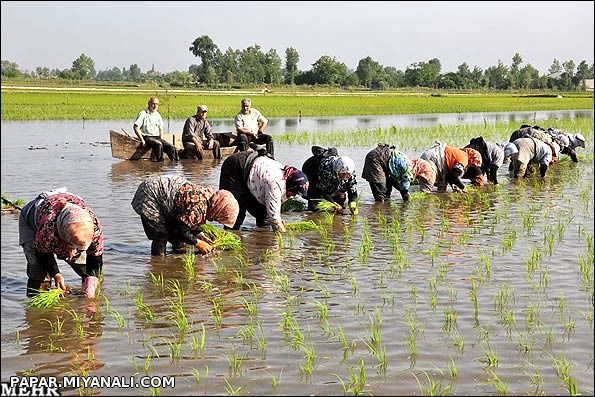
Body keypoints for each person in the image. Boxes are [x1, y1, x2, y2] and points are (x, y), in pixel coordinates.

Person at [18, 188, 104, 298]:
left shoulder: (95, 228)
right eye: (74, 246)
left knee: (84, 266)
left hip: (66, 225)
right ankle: (36, 302)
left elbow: (95, 258)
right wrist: (56, 274)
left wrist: (91, 290)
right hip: (32, 222)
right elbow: (42, 253)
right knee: (39, 271)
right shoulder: (48, 228)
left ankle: (88, 291)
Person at [131, 176, 239, 256]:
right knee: (160, 235)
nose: (218, 221)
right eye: (220, 219)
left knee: (179, 240)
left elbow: (185, 221)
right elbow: (181, 230)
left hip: (164, 194)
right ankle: (159, 265)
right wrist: (199, 243)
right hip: (150, 195)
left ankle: (173, 263)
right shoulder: (199, 206)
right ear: (218, 210)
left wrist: (199, 235)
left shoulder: (208, 198)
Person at [219, 149, 309, 232]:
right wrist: (283, 235)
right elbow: (274, 218)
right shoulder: (275, 184)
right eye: (294, 192)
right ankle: (230, 235)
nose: (293, 196)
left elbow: (272, 210)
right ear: (290, 186)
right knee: (236, 212)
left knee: (264, 216)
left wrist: (278, 220)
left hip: (254, 173)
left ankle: (260, 236)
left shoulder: (286, 177)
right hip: (236, 166)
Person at [133, 96, 179, 162]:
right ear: (149, 104)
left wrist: (162, 139)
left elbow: (161, 128)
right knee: (158, 144)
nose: (155, 106)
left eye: (157, 104)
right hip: (147, 137)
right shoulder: (143, 113)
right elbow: (136, 127)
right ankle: (159, 164)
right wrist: (142, 140)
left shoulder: (157, 114)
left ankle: (175, 164)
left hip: (157, 137)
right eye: (153, 104)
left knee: (171, 147)